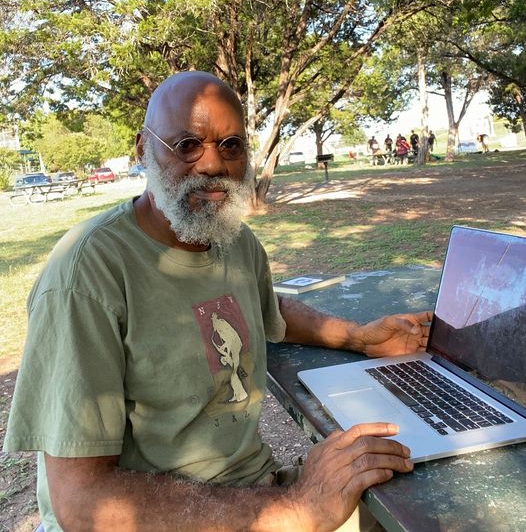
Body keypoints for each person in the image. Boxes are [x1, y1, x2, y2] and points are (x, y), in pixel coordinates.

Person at [4, 71, 431, 532]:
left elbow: (267, 306)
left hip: (250, 490)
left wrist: (359, 339)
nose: (212, 164)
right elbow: (83, 501)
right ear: (142, 149)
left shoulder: (233, 241)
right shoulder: (87, 274)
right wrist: (295, 509)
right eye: (187, 144)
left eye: (231, 145)